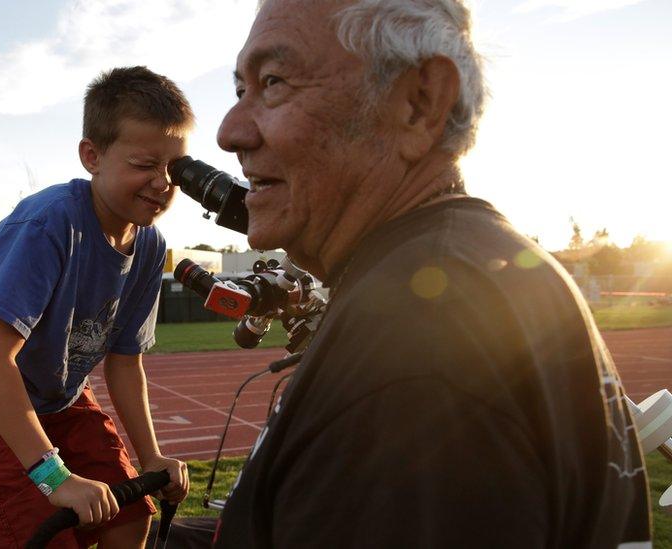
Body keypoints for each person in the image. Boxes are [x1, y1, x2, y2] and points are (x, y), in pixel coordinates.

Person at [212, 1, 650, 547]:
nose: (229, 133)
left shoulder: (413, 350)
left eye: (273, 81)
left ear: (419, 105)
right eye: (239, 91)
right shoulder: (468, 267)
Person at [0, 66, 193, 548]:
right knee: (36, 532)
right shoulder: (50, 225)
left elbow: (126, 363)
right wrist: (54, 475)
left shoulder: (148, 244)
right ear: (92, 156)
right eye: (145, 164)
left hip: (51, 391)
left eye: (175, 168)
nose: (161, 182)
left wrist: (151, 457)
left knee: (129, 516)